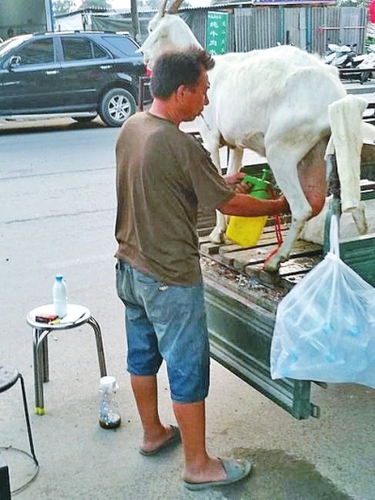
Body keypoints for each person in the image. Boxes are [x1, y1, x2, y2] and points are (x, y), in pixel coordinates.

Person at [114, 49, 289, 491]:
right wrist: (278, 205)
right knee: (188, 367)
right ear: (181, 92)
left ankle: (154, 434)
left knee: (142, 356)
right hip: (170, 278)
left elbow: (165, 181)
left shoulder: (134, 127)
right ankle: (199, 465)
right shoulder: (178, 143)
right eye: (204, 92)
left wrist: (220, 179)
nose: (207, 103)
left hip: (130, 267)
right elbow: (228, 206)